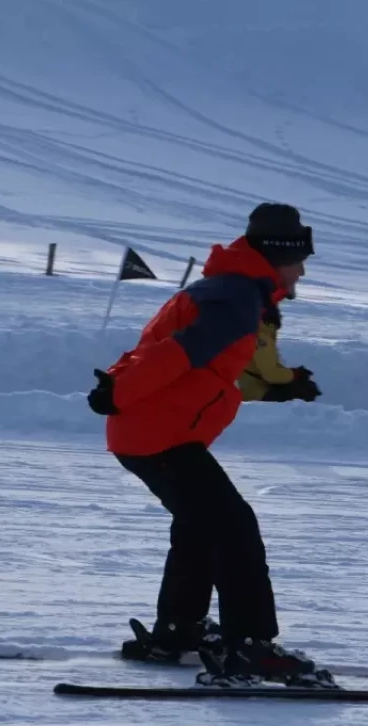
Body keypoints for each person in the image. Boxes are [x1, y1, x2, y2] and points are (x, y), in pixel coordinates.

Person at [86, 203, 327, 686]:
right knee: (234, 526)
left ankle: (178, 631)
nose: (303, 270)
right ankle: (252, 646)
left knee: (203, 525)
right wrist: (120, 392)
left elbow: (189, 359)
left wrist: (278, 386)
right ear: (280, 256)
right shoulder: (236, 296)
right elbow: (176, 353)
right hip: (159, 433)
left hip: (152, 430)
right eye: (301, 259)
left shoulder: (230, 290)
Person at [237, 284, 321, 403]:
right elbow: (270, 374)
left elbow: (262, 368)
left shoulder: (255, 330)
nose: (280, 315)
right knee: (303, 390)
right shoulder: (262, 337)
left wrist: (292, 373)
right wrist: (294, 375)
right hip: (252, 391)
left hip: (250, 385)